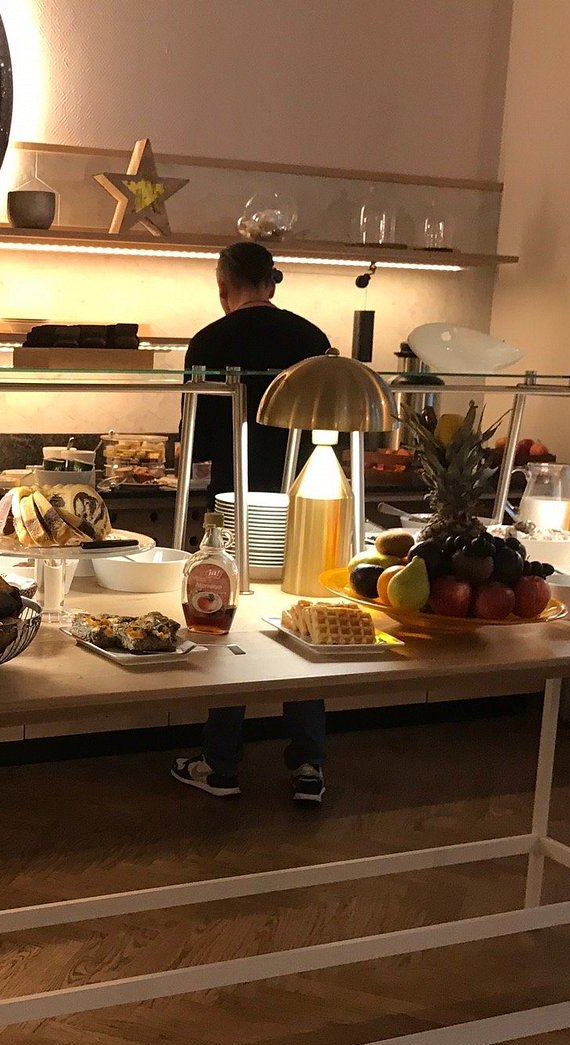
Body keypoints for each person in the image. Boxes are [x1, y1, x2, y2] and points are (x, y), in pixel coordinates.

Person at [170, 241, 331, 807]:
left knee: (227, 625)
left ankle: (220, 764)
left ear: (223, 287)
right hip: (302, 504)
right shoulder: (312, 338)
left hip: (232, 508)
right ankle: (309, 764)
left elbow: (193, 438)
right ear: (271, 282)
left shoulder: (209, 341)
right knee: (301, 623)